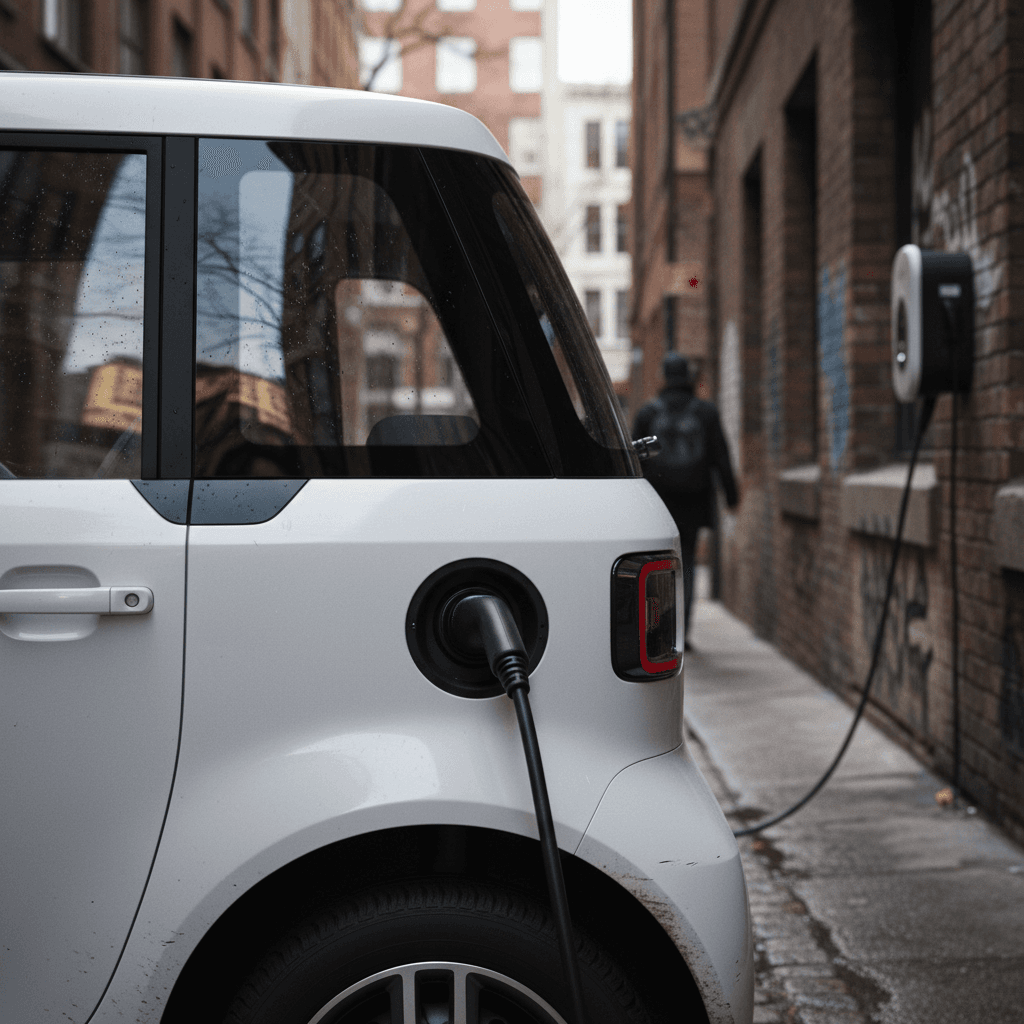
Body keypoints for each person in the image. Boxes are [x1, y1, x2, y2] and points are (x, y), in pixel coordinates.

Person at [633, 353, 739, 651]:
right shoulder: (705, 412)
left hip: (659, 503)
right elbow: (721, 454)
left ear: (664, 376)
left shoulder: (648, 413)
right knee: (687, 564)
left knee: (657, 567)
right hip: (694, 501)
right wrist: (731, 495)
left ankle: (661, 632)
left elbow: (632, 462)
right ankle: (683, 634)